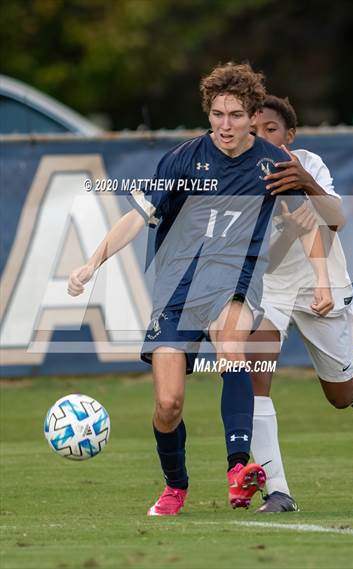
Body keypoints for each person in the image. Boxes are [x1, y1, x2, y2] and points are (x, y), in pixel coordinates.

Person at [67, 64, 312, 516]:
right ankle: (175, 485)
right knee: (168, 404)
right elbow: (134, 218)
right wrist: (91, 262)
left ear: (252, 114)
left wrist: (311, 248)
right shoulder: (182, 160)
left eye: (236, 115)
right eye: (217, 114)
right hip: (178, 288)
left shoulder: (273, 165)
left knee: (231, 343)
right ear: (208, 112)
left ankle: (239, 469)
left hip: (234, 281)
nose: (225, 124)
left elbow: (309, 220)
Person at [248, 95, 353, 513]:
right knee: (255, 380)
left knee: (341, 396)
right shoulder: (243, 173)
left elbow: (337, 218)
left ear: (289, 135)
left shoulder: (307, 163)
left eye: (270, 129)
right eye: (253, 130)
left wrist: (306, 181)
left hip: (324, 282)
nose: (261, 136)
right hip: (272, 287)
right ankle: (278, 492)